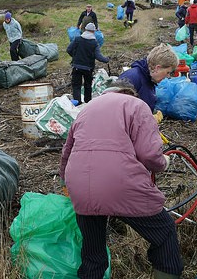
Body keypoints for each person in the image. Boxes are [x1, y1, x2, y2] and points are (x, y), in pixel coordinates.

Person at [59, 80, 183, 279]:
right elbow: (149, 155)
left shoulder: (87, 108)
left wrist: (66, 182)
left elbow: (67, 152)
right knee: (164, 232)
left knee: (93, 252)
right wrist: (164, 163)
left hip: (80, 184)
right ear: (130, 93)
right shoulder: (137, 105)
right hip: (119, 184)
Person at [118, 43, 178, 121]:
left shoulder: (149, 79)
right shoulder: (131, 79)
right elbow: (120, 114)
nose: (168, 76)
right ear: (157, 68)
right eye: (167, 72)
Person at [66, 23, 109, 104]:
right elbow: (98, 56)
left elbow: (68, 49)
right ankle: (88, 103)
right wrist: (106, 60)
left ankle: (77, 102)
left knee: (76, 86)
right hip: (88, 68)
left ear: (85, 29)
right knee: (88, 86)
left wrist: (74, 57)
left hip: (77, 67)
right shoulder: (94, 43)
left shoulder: (77, 39)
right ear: (93, 31)